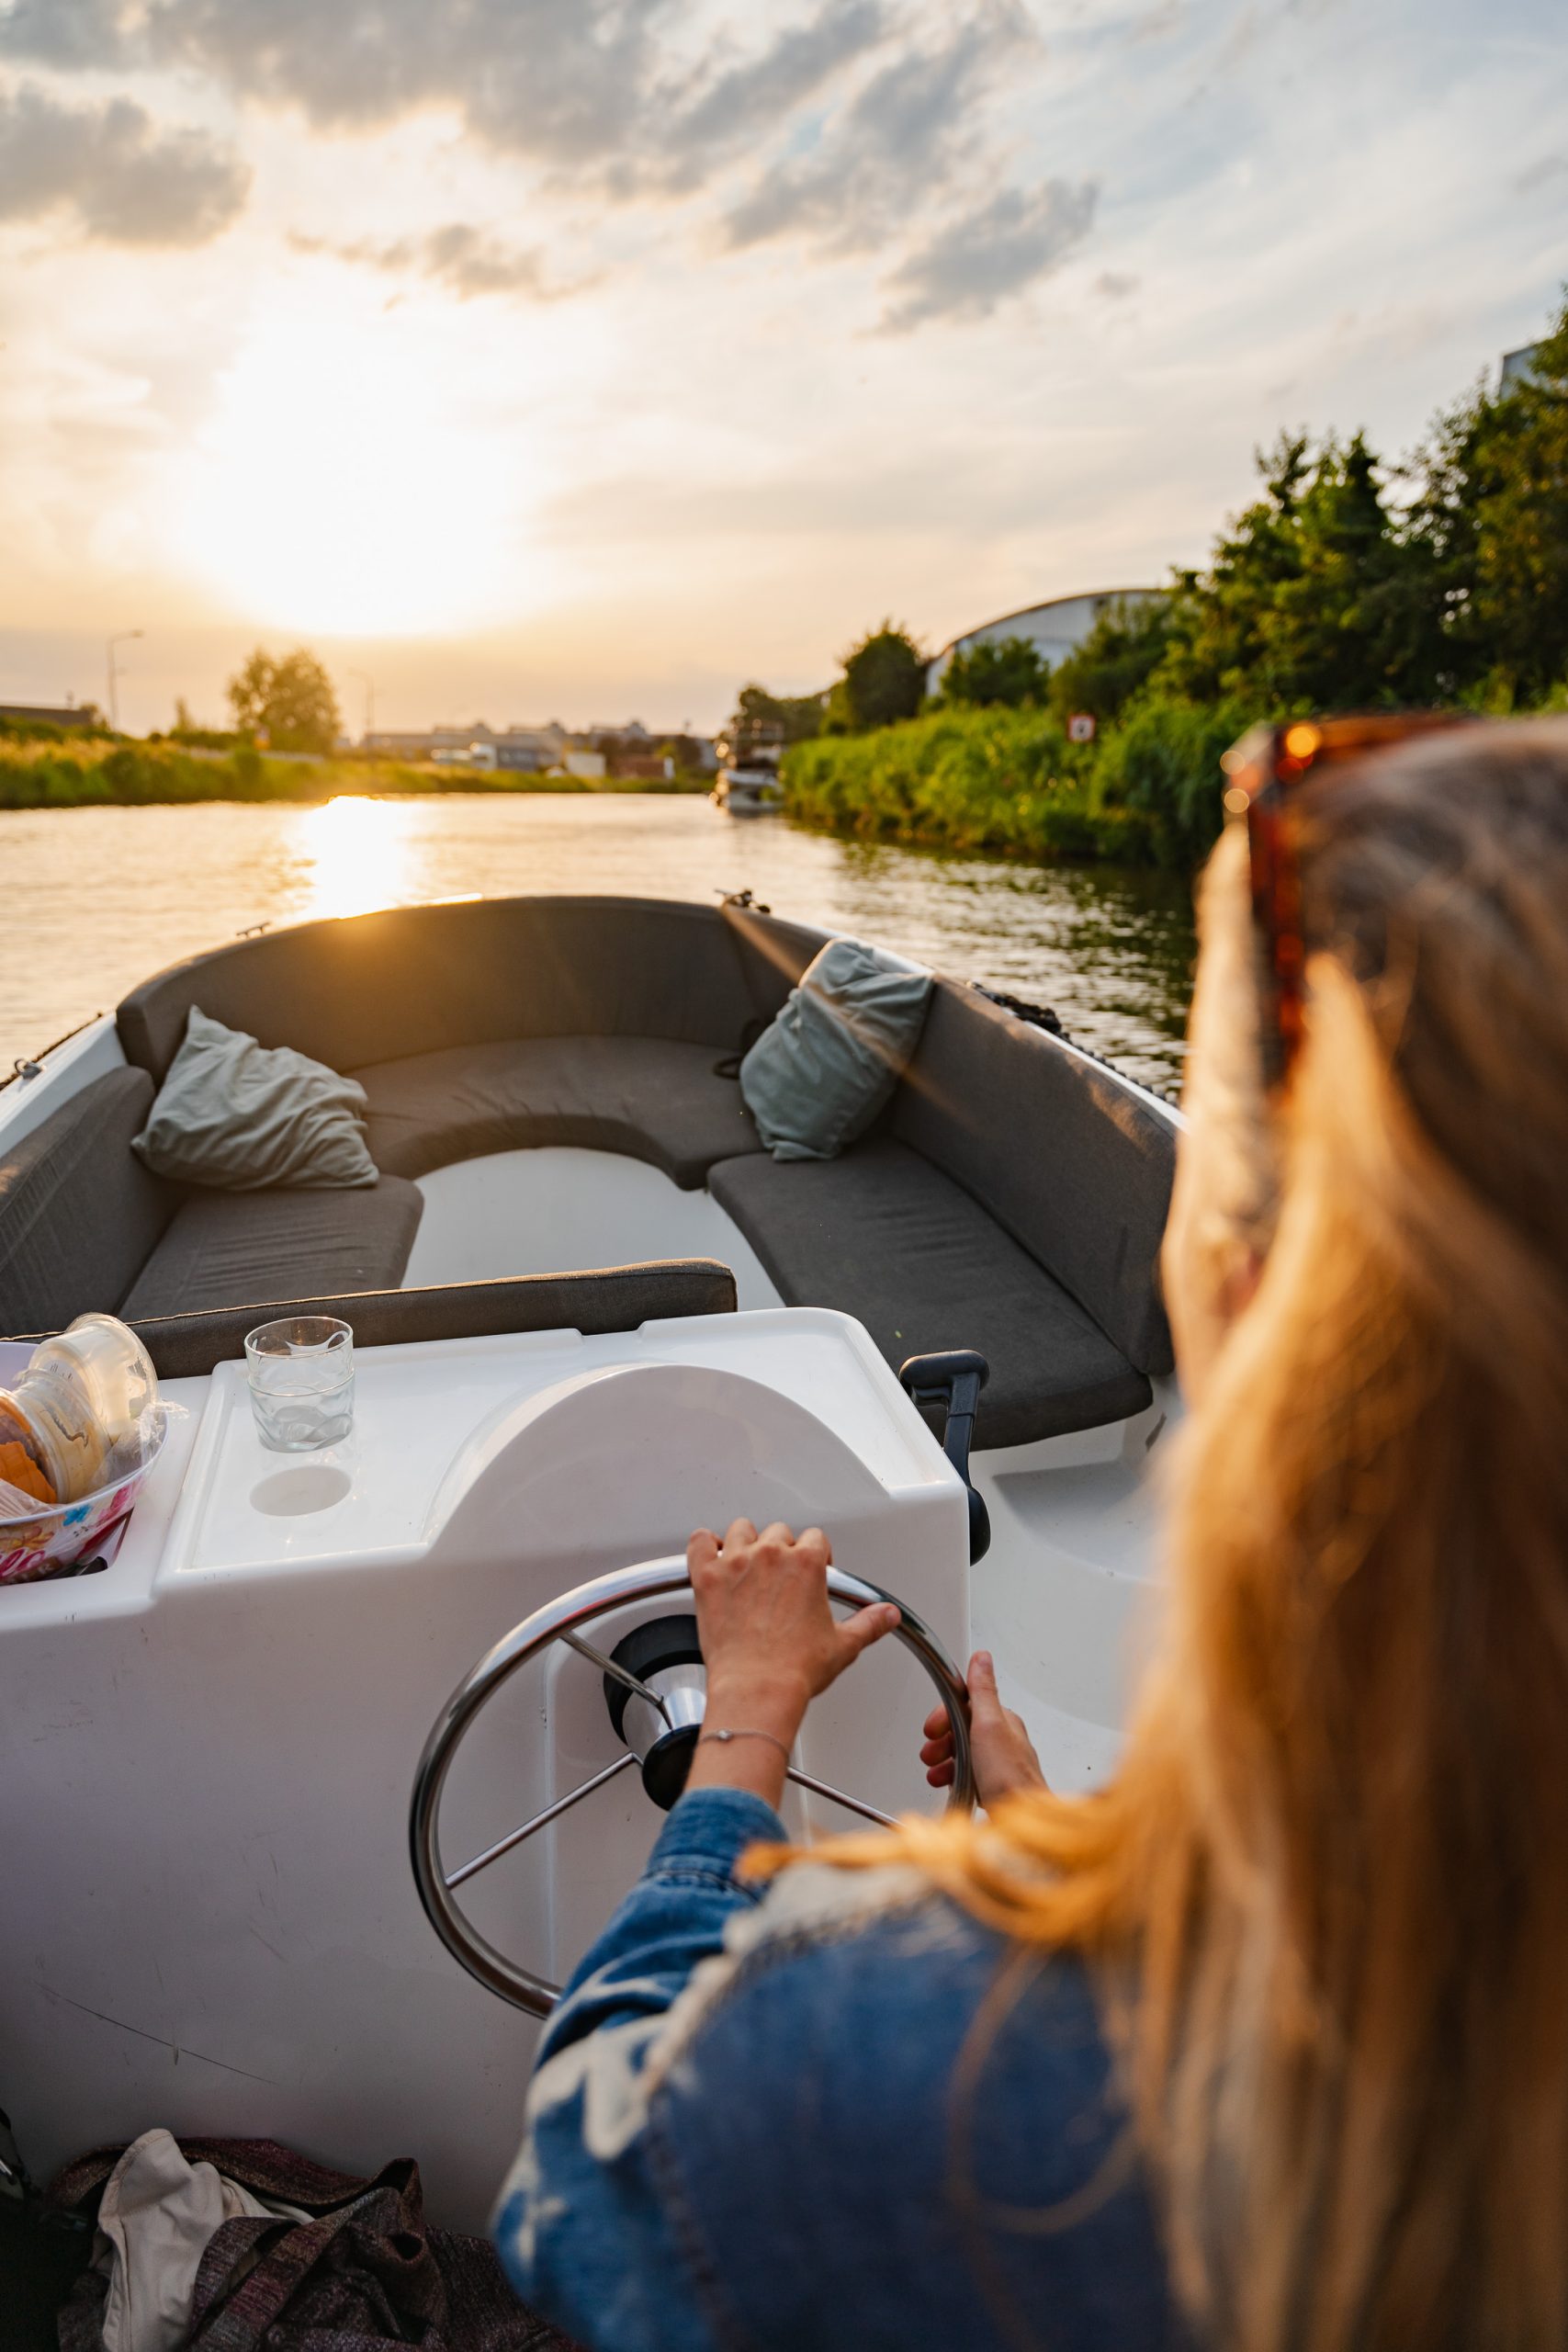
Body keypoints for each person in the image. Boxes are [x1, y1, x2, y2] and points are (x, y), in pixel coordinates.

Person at [494, 717, 1568, 2352]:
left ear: (1241, 1296)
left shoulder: (857, 2068)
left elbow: (583, 2178)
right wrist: (1040, 1826)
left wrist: (749, 1741)